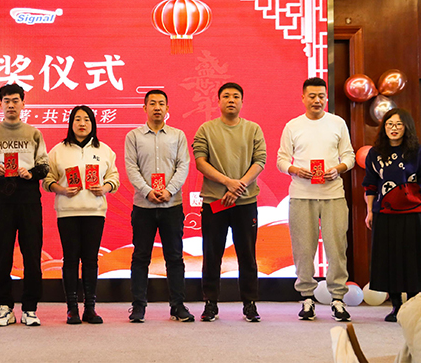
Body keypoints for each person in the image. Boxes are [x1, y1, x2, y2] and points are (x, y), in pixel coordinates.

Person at [277, 77, 355, 322]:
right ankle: (307, 298)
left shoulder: (337, 123)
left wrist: (338, 169)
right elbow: (281, 160)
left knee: (337, 248)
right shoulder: (293, 126)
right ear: (303, 98)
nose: (317, 100)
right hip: (301, 195)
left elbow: (349, 156)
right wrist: (294, 170)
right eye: (312, 96)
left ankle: (338, 299)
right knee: (303, 249)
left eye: (321, 96)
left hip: (333, 195)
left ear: (326, 97)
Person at [193, 82, 266, 323]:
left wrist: (239, 186)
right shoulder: (206, 129)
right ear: (218, 101)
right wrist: (227, 183)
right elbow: (200, 161)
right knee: (211, 253)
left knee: (247, 254)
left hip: (245, 202)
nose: (231, 100)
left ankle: (250, 303)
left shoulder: (253, 129)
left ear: (242, 102)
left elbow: (260, 161)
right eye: (226, 96)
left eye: (236, 96)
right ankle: (210, 303)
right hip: (215, 201)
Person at [0, 83, 50, 327]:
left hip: (28, 196)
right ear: (0, 104)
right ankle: (4, 306)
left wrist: (31, 173)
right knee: (2, 253)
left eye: (15, 100)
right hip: (2, 197)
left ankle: (30, 307)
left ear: (23, 103)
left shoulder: (33, 133)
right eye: (6, 101)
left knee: (32, 253)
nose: (11, 105)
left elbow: (44, 166)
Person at [43, 105, 120, 325]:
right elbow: (47, 180)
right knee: (70, 259)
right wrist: (62, 189)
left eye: (86, 119)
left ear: (93, 123)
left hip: (95, 211)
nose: (82, 123)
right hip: (67, 212)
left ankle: (90, 308)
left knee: (90, 259)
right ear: (71, 124)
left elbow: (114, 177)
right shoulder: (58, 150)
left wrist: (104, 188)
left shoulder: (104, 150)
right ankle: (72, 309)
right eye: (77, 119)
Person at [125, 89, 195, 323]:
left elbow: (183, 165)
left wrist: (169, 190)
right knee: (140, 257)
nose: (157, 107)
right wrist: (147, 191)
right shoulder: (134, 136)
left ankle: (177, 306)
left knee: (174, 257)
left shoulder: (178, 135)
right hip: (143, 206)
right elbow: (131, 167)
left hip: (172, 205)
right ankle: (138, 307)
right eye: (152, 103)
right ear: (144, 108)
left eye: (161, 103)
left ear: (167, 108)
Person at [362, 108, 421, 322]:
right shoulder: (375, 153)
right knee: (389, 259)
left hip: (413, 212)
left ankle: (412, 305)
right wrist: (370, 212)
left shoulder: (418, 151)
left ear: (406, 127)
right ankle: (396, 306)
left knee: (413, 259)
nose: (393, 128)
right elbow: (370, 184)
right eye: (389, 124)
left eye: (398, 124)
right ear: (384, 128)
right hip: (384, 213)